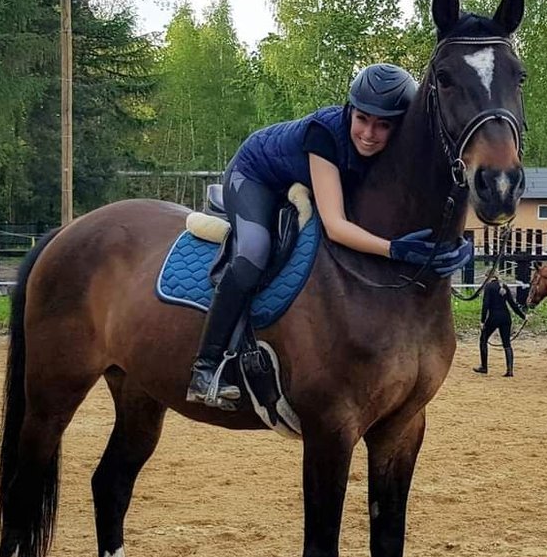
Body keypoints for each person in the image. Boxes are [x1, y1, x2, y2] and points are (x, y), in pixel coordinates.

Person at [187, 63, 474, 410]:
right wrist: (396, 249)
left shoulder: (393, 148)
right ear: (350, 110)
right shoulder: (324, 134)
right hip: (254, 175)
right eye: (363, 119)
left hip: (300, 178)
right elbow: (336, 226)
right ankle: (206, 367)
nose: (369, 133)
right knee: (254, 252)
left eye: (383, 125)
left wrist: (451, 242)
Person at [472, 275, 526, 377]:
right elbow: (512, 304)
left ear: (488, 276)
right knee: (507, 344)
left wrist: (482, 321)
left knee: (483, 339)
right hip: (506, 317)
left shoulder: (488, 287)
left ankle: (484, 367)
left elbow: (486, 304)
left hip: (494, 317)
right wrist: (523, 316)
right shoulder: (504, 286)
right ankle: (509, 370)